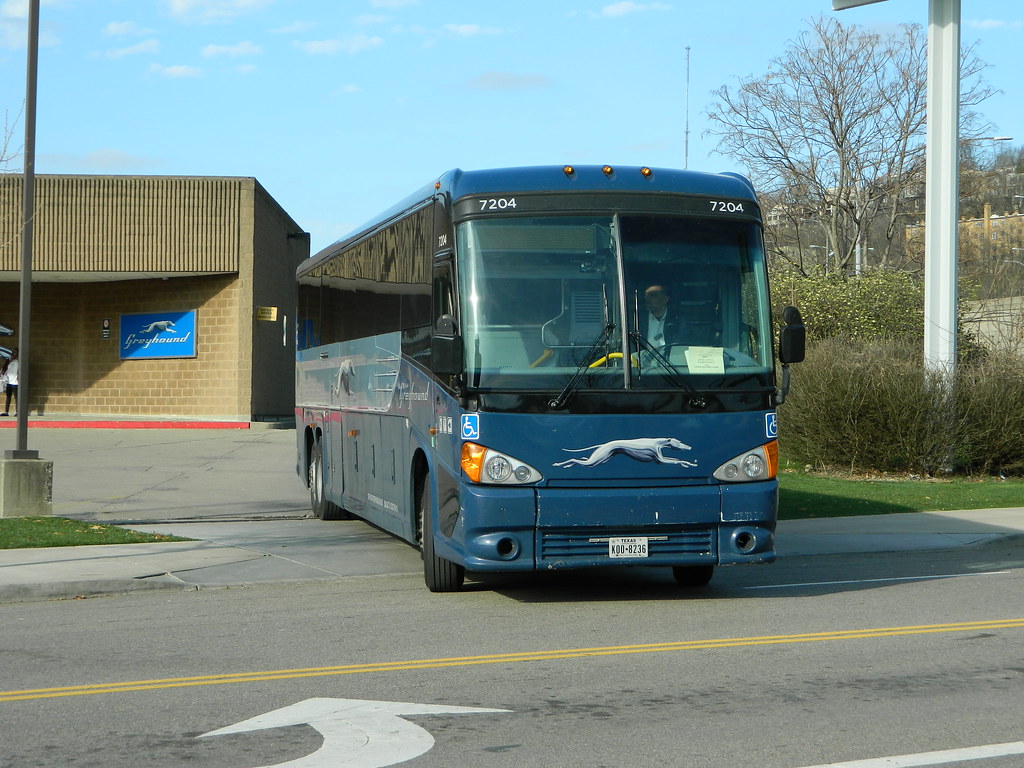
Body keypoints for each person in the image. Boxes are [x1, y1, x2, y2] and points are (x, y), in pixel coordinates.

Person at [1, 348, 18, 416]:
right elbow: (4, 368)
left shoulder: (19, 360)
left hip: (16, 381)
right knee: (8, 396)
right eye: (13, 352)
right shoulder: (9, 359)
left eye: (15, 352)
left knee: (17, 397)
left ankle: (17, 412)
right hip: (9, 380)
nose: (14, 354)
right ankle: (6, 411)